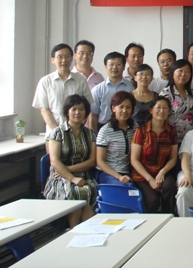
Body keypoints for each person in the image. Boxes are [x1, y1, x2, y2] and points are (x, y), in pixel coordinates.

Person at [43, 94, 96, 227]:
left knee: (90, 190)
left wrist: (69, 169)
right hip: (60, 177)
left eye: (81, 109)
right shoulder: (57, 133)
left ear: (86, 112)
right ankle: (74, 229)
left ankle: (88, 231)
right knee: (75, 192)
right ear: (67, 111)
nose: (77, 112)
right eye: (74, 109)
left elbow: (92, 161)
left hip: (83, 174)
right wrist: (72, 178)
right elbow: (54, 161)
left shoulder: (90, 134)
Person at [131, 95, 178, 214]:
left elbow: (173, 158)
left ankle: (169, 218)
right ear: (151, 110)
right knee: (153, 201)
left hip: (162, 172)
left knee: (170, 187)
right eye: (158, 107)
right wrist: (150, 179)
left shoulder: (171, 131)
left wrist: (162, 172)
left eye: (165, 108)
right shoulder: (141, 131)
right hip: (142, 175)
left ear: (169, 112)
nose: (161, 111)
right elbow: (134, 160)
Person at [33, 43, 94, 135]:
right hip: (53, 134)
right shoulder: (45, 82)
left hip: (77, 134)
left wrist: (77, 128)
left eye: (67, 56)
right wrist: (58, 131)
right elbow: (44, 110)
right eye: (60, 57)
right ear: (53, 60)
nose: (64, 60)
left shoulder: (81, 80)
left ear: (72, 58)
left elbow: (87, 107)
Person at [95, 91, 137, 186]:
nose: (124, 110)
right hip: (107, 173)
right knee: (121, 189)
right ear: (113, 108)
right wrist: (119, 177)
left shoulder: (135, 128)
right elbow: (100, 161)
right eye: (121, 107)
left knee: (134, 191)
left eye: (128, 107)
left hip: (127, 172)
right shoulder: (105, 130)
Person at [89, 51, 134, 132]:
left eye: (118, 64)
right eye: (111, 64)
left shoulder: (131, 87)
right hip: (103, 127)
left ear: (124, 67)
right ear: (105, 67)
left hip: (127, 127)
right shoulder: (98, 89)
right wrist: (94, 136)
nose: (114, 67)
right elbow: (93, 114)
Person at [160, 59, 193, 143]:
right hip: (171, 139)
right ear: (173, 72)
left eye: (187, 71)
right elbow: (161, 118)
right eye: (180, 71)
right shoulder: (166, 93)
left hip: (189, 139)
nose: (183, 74)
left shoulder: (192, 93)